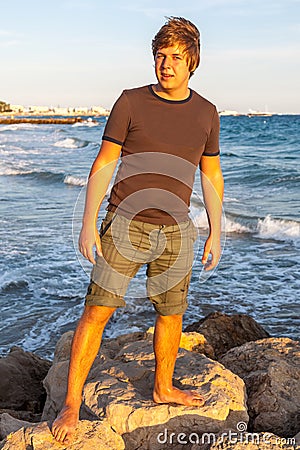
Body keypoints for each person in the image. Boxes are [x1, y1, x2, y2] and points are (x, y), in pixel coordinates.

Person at [51, 16, 224, 444]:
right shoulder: (130, 101)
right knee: (98, 310)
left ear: (193, 63)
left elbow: (212, 174)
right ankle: (71, 403)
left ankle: (164, 387)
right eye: (161, 56)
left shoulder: (206, 112)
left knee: (171, 313)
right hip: (125, 224)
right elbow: (105, 163)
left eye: (176, 57)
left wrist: (216, 231)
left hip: (178, 230)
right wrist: (88, 223)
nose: (166, 64)